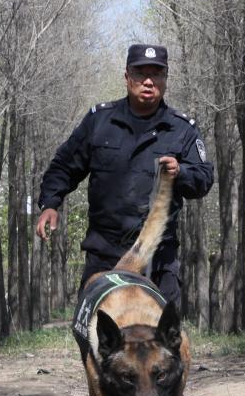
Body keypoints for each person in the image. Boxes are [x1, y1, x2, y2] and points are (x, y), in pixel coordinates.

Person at [36, 44, 214, 304]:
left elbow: (204, 179)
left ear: (166, 80)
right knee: (99, 340)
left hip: (158, 260)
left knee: (164, 343)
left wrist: (182, 172)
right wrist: (50, 203)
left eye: (157, 74)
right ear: (127, 77)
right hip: (104, 256)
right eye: (141, 74)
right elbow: (64, 165)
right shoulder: (99, 121)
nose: (149, 82)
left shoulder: (182, 129)